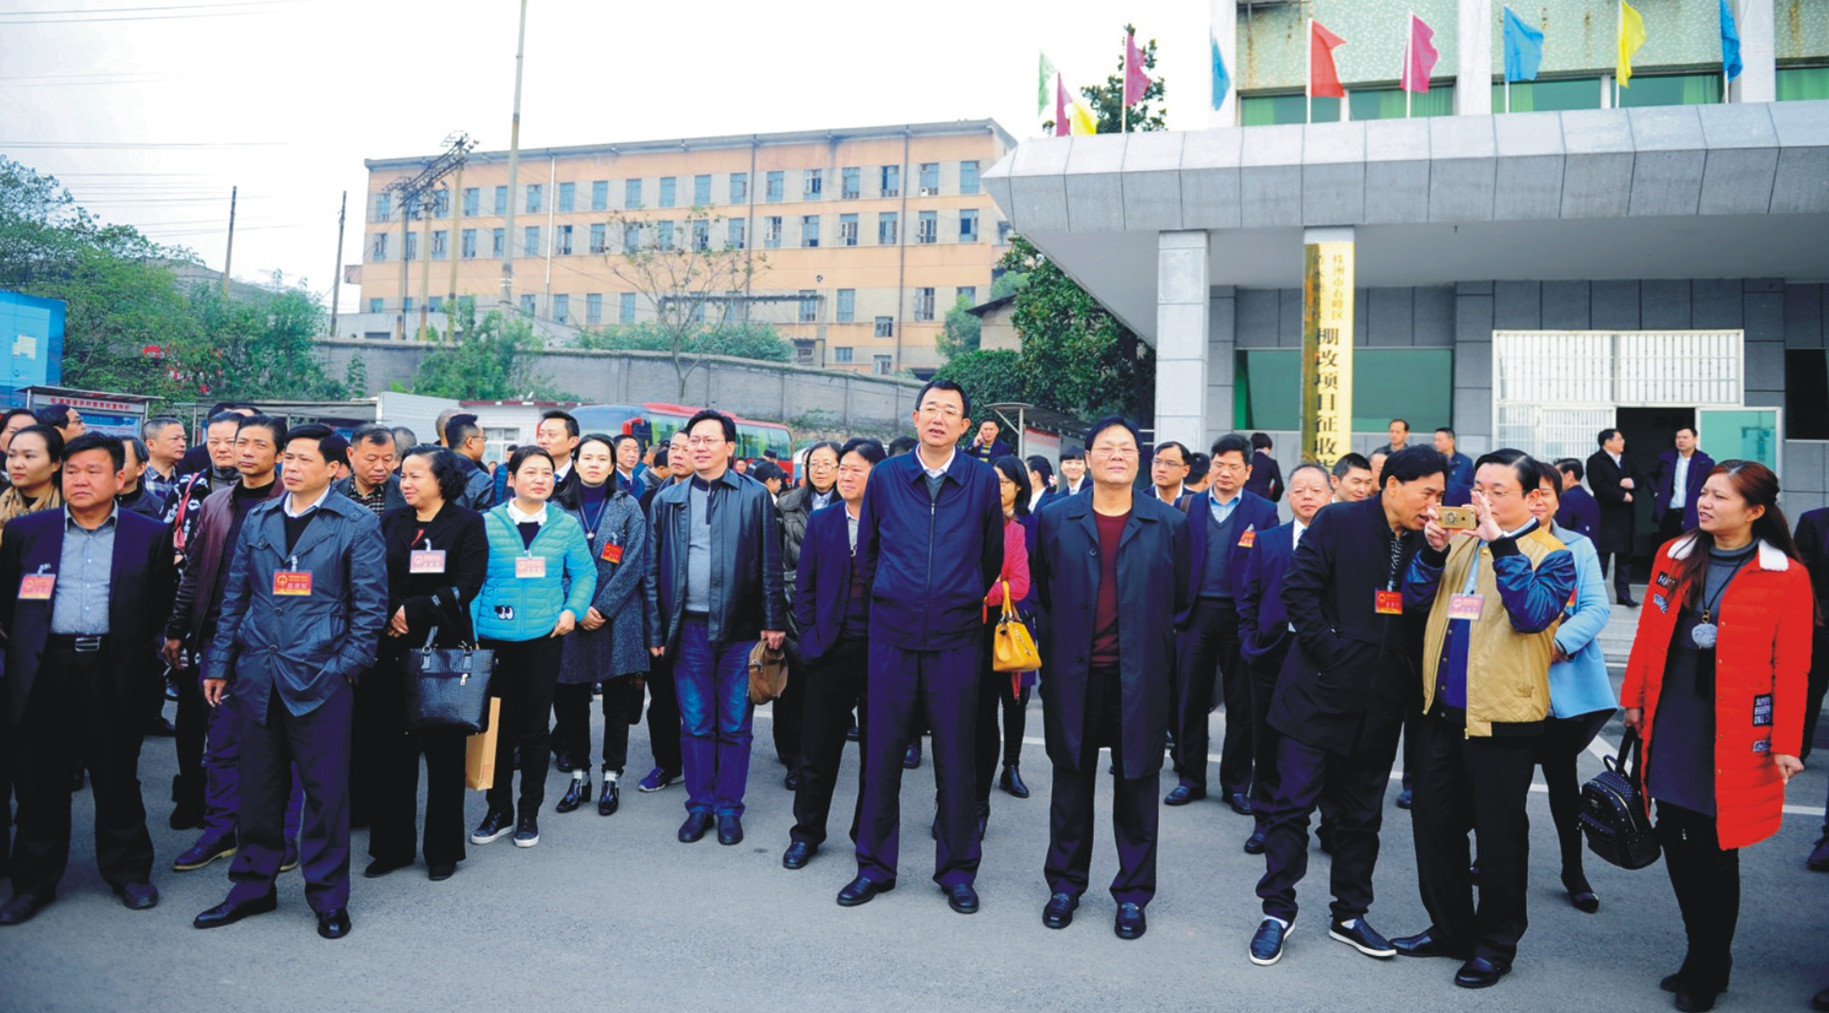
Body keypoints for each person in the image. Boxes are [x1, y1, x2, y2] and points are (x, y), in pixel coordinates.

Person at [1621, 460, 1810, 1013]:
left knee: (1716, 850)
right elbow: (1649, 635)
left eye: (1719, 497)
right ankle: (1700, 953)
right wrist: (1632, 699)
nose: (1705, 503)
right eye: (1703, 493)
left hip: (1733, 730)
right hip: (1672, 717)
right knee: (1676, 838)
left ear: (1755, 511)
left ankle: (1709, 965)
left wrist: (1786, 741)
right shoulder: (1673, 556)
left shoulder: (1785, 575)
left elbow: (1794, 663)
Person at [1245, 447, 1443, 968]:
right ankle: (1277, 911)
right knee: (1291, 808)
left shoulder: (1428, 541)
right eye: (1429, 493)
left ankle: (1350, 914)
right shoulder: (1338, 520)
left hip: (1381, 702)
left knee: (1361, 818)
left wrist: (1439, 553)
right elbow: (1298, 592)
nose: (1435, 504)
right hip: (1317, 691)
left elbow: (1423, 612)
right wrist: (1333, 653)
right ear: (1393, 485)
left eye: (1441, 495)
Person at [193, 425, 387, 941]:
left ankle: (327, 898)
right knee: (259, 788)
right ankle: (252, 887)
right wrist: (219, 663)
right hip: (258, 670)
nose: (292, 467)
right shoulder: (260, 517)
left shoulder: (356, 523)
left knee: (325, 795)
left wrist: (345, 666)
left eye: (304, 459)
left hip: (322, 675)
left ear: (334, 468)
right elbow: (235, 597)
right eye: (289, 459)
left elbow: (370, 610)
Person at [1395, 450, 1577, 990]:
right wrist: (1430, 554)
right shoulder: (1458, 541)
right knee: (1435, 829)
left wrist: (1501, 542)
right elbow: (1411, 602)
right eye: (1478, 488)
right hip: (1439, 712)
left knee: (1499, 839)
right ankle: (1450, 929)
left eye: (1499, 490)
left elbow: (1531, 615)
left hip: (1503, 717)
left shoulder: (1553, 554)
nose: (1485, 499)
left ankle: (1495, 945)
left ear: (1530, 499)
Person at [841, 379, 1004, 915]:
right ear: (914, 419)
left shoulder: (980, 479)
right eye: (929, 408)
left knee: (957, 758)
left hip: (957, 639)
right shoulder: (887, 476)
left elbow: (991, 555)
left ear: (963, 426)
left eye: (950, 412)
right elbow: (868, 553)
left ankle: (957, 870)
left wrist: (956, 596)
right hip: (892, 635)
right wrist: (895, 595)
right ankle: (873, 867)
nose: (938, 418)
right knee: (881, 755)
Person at [0, 434, 174, 926]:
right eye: (72, 470)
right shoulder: (27, 532)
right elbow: (9, 606)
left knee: (117, 776)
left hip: (113, 668)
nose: (80, 480)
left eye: (93, 471)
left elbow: (157, 606)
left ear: (119, 478)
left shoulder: (149, 534)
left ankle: (129, 874)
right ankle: (33, 882)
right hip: (44, 668)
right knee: (39, 781)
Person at [1031, 415, 1188, 941]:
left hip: (1140, 678)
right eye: (1106, 447)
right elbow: (1044, 594)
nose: (1116, 455)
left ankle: (1133, 894)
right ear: (1089, 458)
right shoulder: (1055, 519)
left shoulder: (1169, 524)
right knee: (1070, 783)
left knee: (1138, 785)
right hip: (1074, 675)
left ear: (1139, 460)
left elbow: (1181, 601)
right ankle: (1066, 885)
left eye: (1126, 447)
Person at [161, 414, 298, 870]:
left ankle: (280, 836)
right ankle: (220, 830)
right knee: (220, 744)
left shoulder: (297, 505)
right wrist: (178, 630)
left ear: (280, 455)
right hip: (220, 641)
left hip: (278, 646)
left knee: (278, 749)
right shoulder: (218, 503)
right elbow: (195, 573)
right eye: (242, 443)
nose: (246, 452)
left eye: (259, 444)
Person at [646, 410, 784, 846]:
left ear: (729, 447)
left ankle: (729, 808)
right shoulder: (668, 500)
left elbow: (769, 563)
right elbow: (651, 571)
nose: (698, 447)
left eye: (709, 440)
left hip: (741, 631)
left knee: (735, 723)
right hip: (685, 629)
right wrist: (655, 630)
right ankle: (699, 805)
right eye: (692, 440)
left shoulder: (754, 496)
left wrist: (772, 621)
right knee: (696, 722)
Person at [365, 445, 487, 882]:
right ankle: (391, 847)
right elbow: (371, 576)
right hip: (390, 649)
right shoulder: (389, 521)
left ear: (442, 480)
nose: (405, 482)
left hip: (443, 651)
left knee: (444, 755)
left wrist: (410, 611)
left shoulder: (467, 524)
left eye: (416, 475)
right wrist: (391, 612)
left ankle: (442, 850)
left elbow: (466, 585)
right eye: (404, 475)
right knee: (390, 755)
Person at [468, 447, 596, 850]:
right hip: (492, 639)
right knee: (496, 728)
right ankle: (498, 810)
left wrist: (572, 611)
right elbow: (471, 581)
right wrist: (470, 630)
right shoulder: (486, 523)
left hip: (544, 638)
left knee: (535, 729)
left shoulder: (564, 524)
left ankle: (528, 813)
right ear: (511, 479)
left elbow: (584, 572)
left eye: (546, 473)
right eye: (530, 472)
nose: (540, 479)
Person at [782, 438, 885, 871]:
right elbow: (804, 587)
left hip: (881, 650)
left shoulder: (893, 522)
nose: (844, 476)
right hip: (828, 649)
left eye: (855, 469)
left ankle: (867, 837)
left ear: (877, 476)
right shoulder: (823, 522)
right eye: (842, 468)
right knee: (817, 750)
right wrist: (809, 637)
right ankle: (806, 833)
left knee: (876, 754)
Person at [1168, 433, 1279, 814]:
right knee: (1190, 699)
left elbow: (1268, 568)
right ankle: (1189, 778)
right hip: (1195, 615)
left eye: (1234, 466)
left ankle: (1235, 784)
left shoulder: (1263, 512)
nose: (1225, 472)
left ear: (1248, 471)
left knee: (1241, 703)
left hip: (1240, 618)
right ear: (1209, 467)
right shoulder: (1188, 506)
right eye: (1219, 465)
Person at [1524, 467, 1615, 914]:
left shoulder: (1578, 546)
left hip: (1562, 686)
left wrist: (1559, 641)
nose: (1538, 502)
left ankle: (1573, 870)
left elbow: (1597, 607)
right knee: (1504, 784)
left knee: (1563, 784)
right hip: (1511, 687)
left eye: (1546, 494)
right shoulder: (1497, 543)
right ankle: (1492, 858)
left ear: (1559, 500)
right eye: (1531, 494)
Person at [550, 435, 652, 818]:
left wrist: (603, 608)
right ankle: (579, 774)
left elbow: (636, 562)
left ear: (612, 466)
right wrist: (577, 607)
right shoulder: (557, 508)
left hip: (618, 616)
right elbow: (550, 563)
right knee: (572, 701)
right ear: (574, 462)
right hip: (569, 618)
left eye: (602, 458)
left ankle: (612, 776)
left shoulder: (628, 507)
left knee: (616, 703)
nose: (594, 464)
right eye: (587, 457)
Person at [1236, 463, 1330, 856]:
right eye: (1299, 489)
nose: (1307, 496)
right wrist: (1249, 642)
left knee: (1320, 741)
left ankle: (1327, 822)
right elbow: (1249, 596)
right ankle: (1265, 821)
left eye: (1315, 490)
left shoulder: (1340, 541)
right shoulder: (1269, 539)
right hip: (1273, 652)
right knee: (1267, 739)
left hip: (1322, 655)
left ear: (1330, 495)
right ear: (1287, 496)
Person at [776, 440, 842, 788]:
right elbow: (772, 560)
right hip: (790, 604)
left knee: (824, 688)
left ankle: (817, 753)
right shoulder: (786, 504)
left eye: (828, 463)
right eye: (814, 463)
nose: (820, 469)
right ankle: (792, 758)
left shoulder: (850, 505)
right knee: (791, 689)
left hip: (832, 607)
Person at [976, 456, 1035, 829]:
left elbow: (1024, 584)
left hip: (1002, 629)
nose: (996, 487)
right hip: (960, 631)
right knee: (958, 721)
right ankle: (947, 801)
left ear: (1018, 486)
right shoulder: (965, 521)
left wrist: (981, 592)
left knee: (996, 715)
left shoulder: (1017, 529)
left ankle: (981, 802)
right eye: (991, 480)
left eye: (1003, 481)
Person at [635, 431, 691, 794]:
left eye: (688, 448)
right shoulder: (652, 497)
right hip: (661, 611)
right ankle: (667, 763)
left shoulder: (724, 497)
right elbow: (643, 559)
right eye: (674, 448)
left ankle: (707, 765)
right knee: (663, 696)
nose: (680, 454)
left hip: (704, 614)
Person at [1587, 428, 1640, 607]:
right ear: (1607, 442)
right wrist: (1620, 495)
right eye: (1619, 439)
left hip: (1625, 515)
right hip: (1605, 514)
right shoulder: (1595, 461)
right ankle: (1596, 597)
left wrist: (1632, 483)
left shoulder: (1627, 459)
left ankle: (1624, 595)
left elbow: (1640, 478)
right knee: (1602, 557)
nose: (1623, 442)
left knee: (1625, 557)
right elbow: (1598, 485)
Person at [1, 425, 65, 545]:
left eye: (29, 456)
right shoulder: (2, 497)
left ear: (55, 464)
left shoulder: (70, 507)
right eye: (11, 455)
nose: (17, 464)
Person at [1653, 427, 1716, 547]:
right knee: (1668, 547)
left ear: (1695, 439)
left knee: (1693, 547)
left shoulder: (1705, 462)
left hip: (1693, 511)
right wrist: (1657, 493)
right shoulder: (1666, 459)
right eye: (1678, 437)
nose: (1681, 440)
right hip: (1670, 511)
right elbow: (1651, 477)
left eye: (1685, 437)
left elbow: (1712, 485)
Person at [332, 424, 403, 517]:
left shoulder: (405, 494)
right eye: (371, 459)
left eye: (387, 459)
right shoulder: (331, 493)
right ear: (351, 454)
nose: (380, 467)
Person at [443, 413, 497, 512]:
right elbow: (485, 522)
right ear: (470, 442)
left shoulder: (433, 470)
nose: (484, 444)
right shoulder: (482, 481)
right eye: (483, 438)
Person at [140, 416, 187, 506]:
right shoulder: (134, 478)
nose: (182, 444)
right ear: (151, 445)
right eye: (175, 439)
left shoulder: (187, 479)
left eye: (184, 439)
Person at [114, 437, 164, 518]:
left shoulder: (158, 509)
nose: (114, 466)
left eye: (121, 461)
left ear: (140, 468)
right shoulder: (94, 503)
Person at [1554, 459, 1599, 541]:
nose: (1554, 480)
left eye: (1557, 475)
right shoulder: (1590, 498)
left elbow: (1560, 528)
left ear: (1569, 475)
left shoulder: (1566, 498)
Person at [1433, 428, 1473, 507]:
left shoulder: (1465, 461)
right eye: (1435, 440)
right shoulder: (1433, 461)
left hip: (1458, 505)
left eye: (1439, 440)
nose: (1436, 443)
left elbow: (1471, 486)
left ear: (1451, 441)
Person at [1243, 433, 1283, 503]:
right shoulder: (1271, 463)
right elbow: (1279, 485)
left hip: (1245, 499)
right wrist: (1273, 498)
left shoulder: (1245, 461)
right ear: (1267, 447)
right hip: (1263, 500)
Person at [1147, 441, 1189, 506]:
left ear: (1185, 470)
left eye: (1170, 464)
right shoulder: (1137, 500)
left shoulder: (1198, 502)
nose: (1161, 469)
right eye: (1157, 462)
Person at [612, 434, 648, 500]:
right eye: (626, 449)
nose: (632, 455)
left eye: (635, 450)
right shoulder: (608, 481)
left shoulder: (640, 482)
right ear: (613, 452)